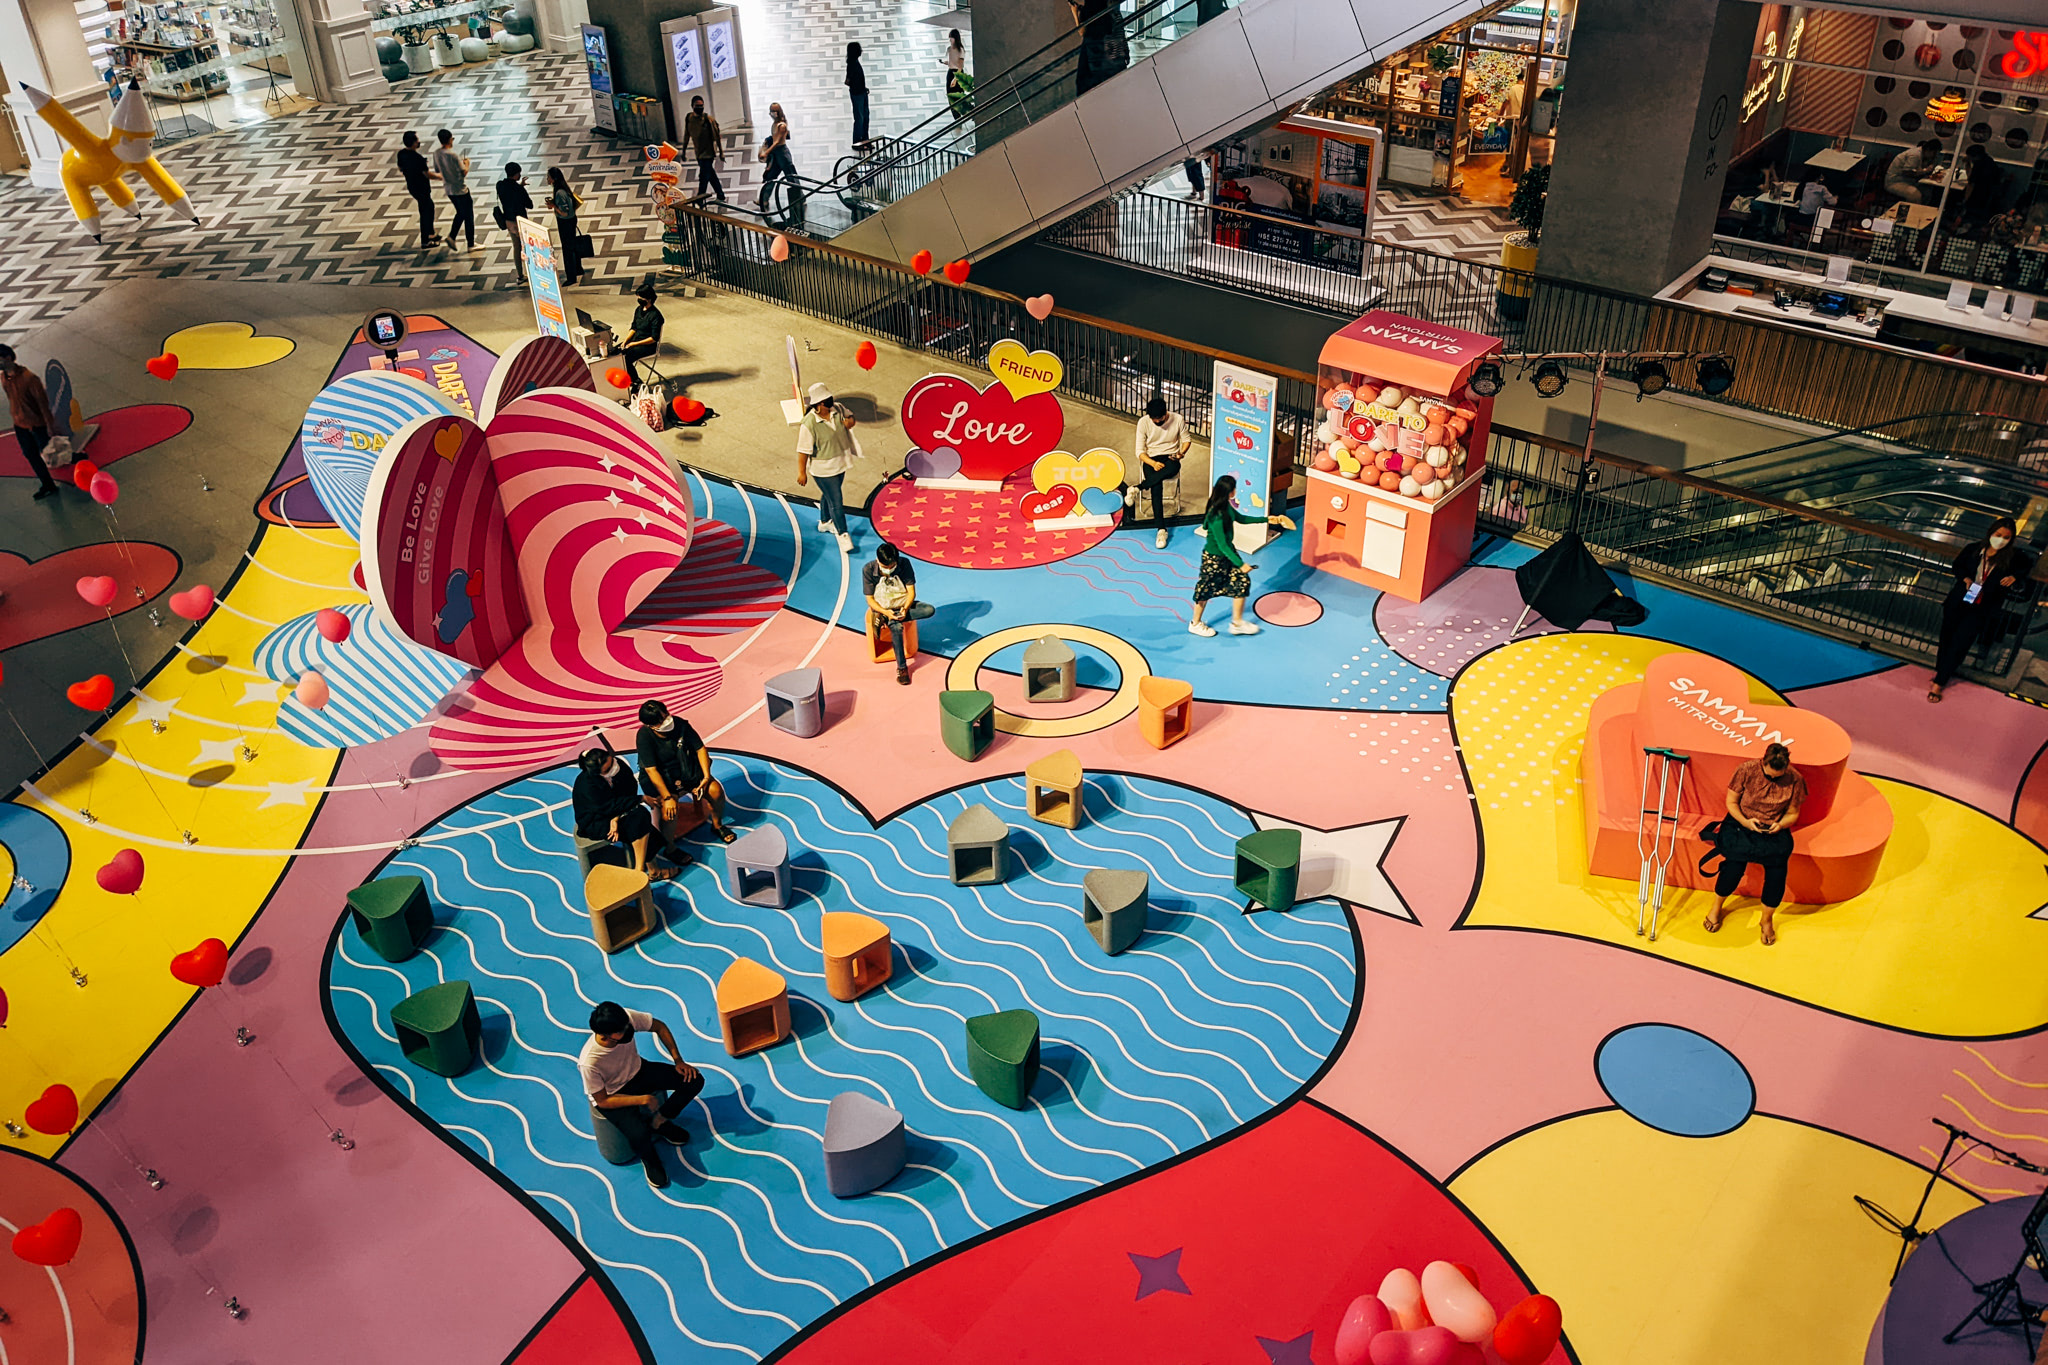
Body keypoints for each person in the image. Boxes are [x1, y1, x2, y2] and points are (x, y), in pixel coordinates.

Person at [580, 1001, 704, 1190]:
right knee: (638, 1133)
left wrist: (678, 1060)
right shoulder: (590, 1062)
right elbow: (602, 1100)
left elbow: (660, 1027)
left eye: (626, 1025)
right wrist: (642, 1099)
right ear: (606, 1035)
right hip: (614, 1094)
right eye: (621, 1031)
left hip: (638, 1071)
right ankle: (650, 1161)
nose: (628, 1029)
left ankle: (660, 1121)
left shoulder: (625, 1019)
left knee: (694, 1080)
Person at [1703, 742, 1807, 946]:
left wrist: (1780, 825)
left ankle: (1766, 920)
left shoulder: (1795, 779)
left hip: (1773, 828)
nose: (1774, 780)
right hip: (1743, 822)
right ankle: (1716, 907)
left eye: (1778, 777)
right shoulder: (1746, 770)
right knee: (1733, 867)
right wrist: (1745, 822)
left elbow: (1793, 813)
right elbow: (1731, 802)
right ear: (1763, 763)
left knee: (1777, 874)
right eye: (1770, 776)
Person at [1930, 516, 2031, 702]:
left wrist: (2015, 577)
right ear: (1991, 533)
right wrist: (1966, 579)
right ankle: (1942, 669)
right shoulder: (1974, 549)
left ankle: (1939, 681)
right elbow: (1958, 566)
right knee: (1947, 637)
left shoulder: (2013, 557)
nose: (2001, 540)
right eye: (1998, 535)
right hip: (1960, 599)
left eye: (2006, 537)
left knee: (1962, 641)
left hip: (1984, 605)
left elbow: (2027, 565)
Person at [1189, 475, 1294, 637]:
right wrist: (1240, 564)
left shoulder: (1226, 506)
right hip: (1214, 559)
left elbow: (1241, 518)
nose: (1236, 491)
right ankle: (1195, 623)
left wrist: (1266, 519)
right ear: (1229, 491)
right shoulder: (1217, 516)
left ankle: (1237, 623)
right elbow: (1222, 545)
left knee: (1241, 582)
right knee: (1205, 590)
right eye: (1234, 488)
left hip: (1227, 555)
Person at [634, 698, 736, 848]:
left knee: (716, 791)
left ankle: (717, 825)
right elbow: (651, 770)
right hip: (663, 779)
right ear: (651, 726)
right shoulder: (644, 736)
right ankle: (670, 847)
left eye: (666, 715)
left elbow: (700, 749)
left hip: (686, 771)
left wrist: (706, 777)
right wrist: (667, 796)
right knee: (669, 813)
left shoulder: (680, 724)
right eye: (661, 721)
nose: (667, 721)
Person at [571, 747, 671, 880]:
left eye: (612, 761)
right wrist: (640, 799)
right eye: (608, 769)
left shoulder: (619, 766)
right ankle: (646, 871)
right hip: (595, 821)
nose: (614, 767)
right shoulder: (586, 785)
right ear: (598, 774)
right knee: (639, 819)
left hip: (617, 811)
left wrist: (616, 818)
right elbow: (604, 807)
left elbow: (630, 791)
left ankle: (645, 871)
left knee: (639, 818)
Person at [795, 380, 858, 554]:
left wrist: (850, 423)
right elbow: (803, 451)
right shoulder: (809, 424)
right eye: (826, 400)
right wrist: (801, 472)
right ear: (819, 404)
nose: (831, 401)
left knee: (829, 495)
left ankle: (824, 522)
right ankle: (843, 534)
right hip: (823, 470)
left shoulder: (838, 409)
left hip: (840, 464)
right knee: (836, 501)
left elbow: (851, 417)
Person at [864, 541, 935, 684]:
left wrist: (905, 609)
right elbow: (870, 599)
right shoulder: (868, 569)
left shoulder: (905, 564)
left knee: (929, 610)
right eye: (885, 567)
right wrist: (886, 612)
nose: (889, 569)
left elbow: (911, 592)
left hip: (902, 604)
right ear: (878, 560)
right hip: (884, 606)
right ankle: (902, 668)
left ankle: (888, 619)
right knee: (896, 629)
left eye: (892, 566)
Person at [1126, 396, 1188, 549]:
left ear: (1166, 413)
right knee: (1156, 486)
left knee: (1173, 468)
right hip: (1151, 459)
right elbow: (1139, 451)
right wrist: (1153, 463)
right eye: (1154, 419)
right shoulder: (1143, 422)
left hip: (1170, 458)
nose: (1157, 422)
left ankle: (1137, 488)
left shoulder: (1178, 419)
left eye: (1160, 419)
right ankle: (1161, 530)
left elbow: (1186, 440)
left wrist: (1180, 453)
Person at [1, 345, 59, 501]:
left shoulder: (29, 379)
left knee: (52, 452)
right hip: (20, 425)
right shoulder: (4, 378)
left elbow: (43, 404)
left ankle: (78, 457)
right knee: (31, 455)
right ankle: (48, 485)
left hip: (37, 425)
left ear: (7, 358)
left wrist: (50, 425)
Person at [1070, 0, 1128, 97]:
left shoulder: (1088, 10)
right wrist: (1126, 52)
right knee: (1113, 90)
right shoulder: (1111, 12)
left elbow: (1082, 31)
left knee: (1086, 85)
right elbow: (1121, 33)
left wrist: (1075, 12)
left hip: (1095, 57)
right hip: (1116, 59)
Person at [433, 128, 475, 251]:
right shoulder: (453, 155)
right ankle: (468, 243)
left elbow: (437, 170)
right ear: (449, 139)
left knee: (461, 212)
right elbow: (463, 173)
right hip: (460, 189)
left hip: (449, 189)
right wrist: (467, 163)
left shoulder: (436, 153)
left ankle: (454, 237)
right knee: (468, 215)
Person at [397, 130, 439, 249]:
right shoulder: (418, 159)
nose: (419, 142)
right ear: (413, 143)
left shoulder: (401, 154)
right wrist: (440, 177)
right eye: (417, 140)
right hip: (422, 188)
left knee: (428, 208)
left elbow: (400, 167)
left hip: (412, 187)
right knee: (426, 212)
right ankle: (426, 240)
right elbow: (427, 174)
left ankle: (431, 234)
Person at [495, 161, 533, 284]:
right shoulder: (519, 190)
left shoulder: (500, 185)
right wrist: (521, 187)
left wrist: (519, 186)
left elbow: (509, 193)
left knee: (516, 247)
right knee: (527, 246)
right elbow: (530, 205)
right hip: (521, 221)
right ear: (516, 174)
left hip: (509, 221)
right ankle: (532, 272)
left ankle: (520, 275)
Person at [682, 94, 725, 203]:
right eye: (697, 106)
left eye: (701, 105)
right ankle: (720, 195)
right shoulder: (689, 118)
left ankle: (700, 197)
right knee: (710, 174)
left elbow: (717, 136)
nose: (700, 108)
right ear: (692, 106)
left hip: (708, 153)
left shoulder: (708, 120)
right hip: (699, 152)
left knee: (704, 176)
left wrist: (721, 152)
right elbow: (687, 134)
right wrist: (683, 151)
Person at [756, 103, 797, 212]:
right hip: (776, 154)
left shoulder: (782, 126)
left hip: (782, 154)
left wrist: (767, 152)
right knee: (771, 176)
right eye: (771, 111)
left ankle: (800, 198)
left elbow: (777, 141)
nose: (772, 113)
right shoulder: (775, 124)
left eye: (774, 111)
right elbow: (774, 137)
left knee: (791, 177)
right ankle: (764, 200)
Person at [547, 167, 584, 287]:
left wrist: (554, 206)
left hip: (565, 223)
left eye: (549, 177)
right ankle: (578, 269)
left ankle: (571, 277)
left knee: (567, 250)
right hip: (571, 220)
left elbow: (564, 213)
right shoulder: (563, 189)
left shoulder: (559, 193)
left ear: (554, 178)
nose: (547, 179)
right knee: (573, 246)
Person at [621, 284, 664, 385]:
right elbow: (634, 327)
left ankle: (636, 382)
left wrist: (634, 344)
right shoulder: (638, 310)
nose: (639, 299)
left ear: (649, 298)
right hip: (636, 340)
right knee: (618, 353)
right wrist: (626, 341)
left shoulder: (656, 316)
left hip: (648, 346)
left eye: (641, 297)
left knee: (626, 358)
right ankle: (629, 378)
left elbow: (654, 338)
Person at [1883, 138, 1943, 205]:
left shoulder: (1921, 155)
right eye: (1934, 153)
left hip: (1905, 181)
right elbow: (1907, 172)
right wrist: (1925, 171)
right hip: (1895, 182)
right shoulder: (1915, 155)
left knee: (1927, 192)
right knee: (1915, 195)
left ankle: (1921, 210)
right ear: (1928, 150)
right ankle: (1911, 211)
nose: (1935, 156)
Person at [1958, 145, 2004, 232]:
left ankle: (1965, 228)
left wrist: (1965, 199)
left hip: (1978, 197)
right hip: (1989, 197)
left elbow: (1971, 183)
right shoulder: (1989, 161)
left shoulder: (1978, 165)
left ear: (1975, 156)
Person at [846, 41, 870, 147]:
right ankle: (857, 142)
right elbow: (848, 81)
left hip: (862, 93)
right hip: (857, 95)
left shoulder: (855, 62)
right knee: (859, 118)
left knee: (865, 117)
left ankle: (865, 139)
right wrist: (857, 87)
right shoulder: (852, 65)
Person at [943, 29, 968, 112]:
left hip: (958, 73)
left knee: (958, 94)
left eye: (951, 37)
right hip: (950, 72)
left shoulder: (960, 50)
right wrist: (946, 62)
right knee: (950, 94)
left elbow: (960, 66)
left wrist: (955, 79)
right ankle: (954, 112)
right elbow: (952, 62)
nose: (950, 39)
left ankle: (960, 112)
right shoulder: (949, 49)